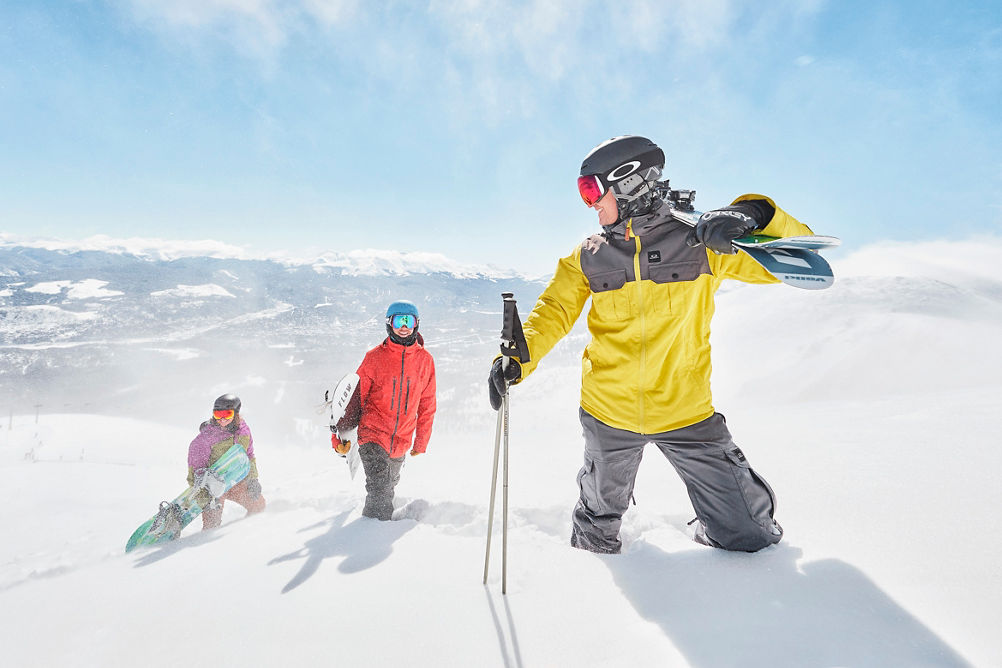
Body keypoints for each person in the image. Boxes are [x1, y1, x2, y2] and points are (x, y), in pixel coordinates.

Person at [488, 135, 814, 554]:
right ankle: (583, 579)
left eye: (592, 190)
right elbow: (552, 312)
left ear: (628, 183)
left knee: (749, 536)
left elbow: (799, 256)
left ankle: (713, 522)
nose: (590, 205)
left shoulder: (700, 243)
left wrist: (753, 214)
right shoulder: (588, 256)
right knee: (594, 536)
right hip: (609, 412)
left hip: (685, 411)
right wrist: (516, 360)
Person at [334, 300, 437, 520]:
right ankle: (372, 537)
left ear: (417, 324)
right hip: (373, 434)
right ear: (389, 324)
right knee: (380, 491)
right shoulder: (374, 358)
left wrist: (421, 441)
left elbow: (427, 404)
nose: (404, 326)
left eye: (409, 320)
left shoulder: (425, 361)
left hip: (401, 439)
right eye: (399, 320)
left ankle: (371, 529)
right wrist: (339, 436)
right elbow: (354, 399)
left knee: (387, 487)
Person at [187, 393, 265, 530]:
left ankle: (246, 532)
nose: (222, 419)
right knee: (212, 525)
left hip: (234, 482)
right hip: (213, 488)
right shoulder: (205, 439)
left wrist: (253, 479)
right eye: (218, 415)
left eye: (227, 414)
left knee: (258, 506)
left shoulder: (243, 431)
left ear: (236, 413)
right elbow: (194, 469)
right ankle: (203, 547)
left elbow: (249, 455)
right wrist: (202, 494)